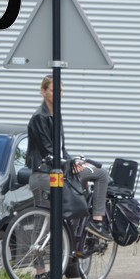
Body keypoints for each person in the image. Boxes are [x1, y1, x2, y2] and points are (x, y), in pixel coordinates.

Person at [25, 74, 111, 240]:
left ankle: (96, 221)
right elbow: (48, 150)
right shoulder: (40, 117)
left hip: (59, 171)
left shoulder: (56, 114)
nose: (58, 94)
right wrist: (69, 164)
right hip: (45, 173)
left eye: (61, 90)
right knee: (44, 221)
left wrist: (74, 162)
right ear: (43, 92)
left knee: (101, 174)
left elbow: (61, 149)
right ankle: (38, 256)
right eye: (53, 90)